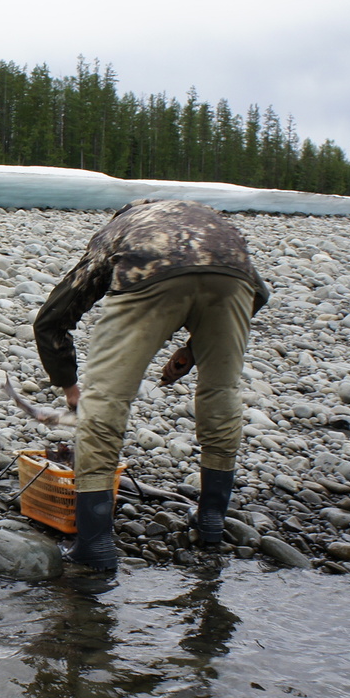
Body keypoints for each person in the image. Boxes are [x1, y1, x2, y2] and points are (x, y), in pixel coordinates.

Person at [33, 199, 269, 570]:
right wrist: (193, 350)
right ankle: (211, 520)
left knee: (107, 399)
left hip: (149, 272)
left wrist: (70, 388)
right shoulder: (205, 218)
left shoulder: (118, 230)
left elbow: (52, 319)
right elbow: (261, 294)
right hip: (232, 274)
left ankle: (94, 545)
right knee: (221, 391)